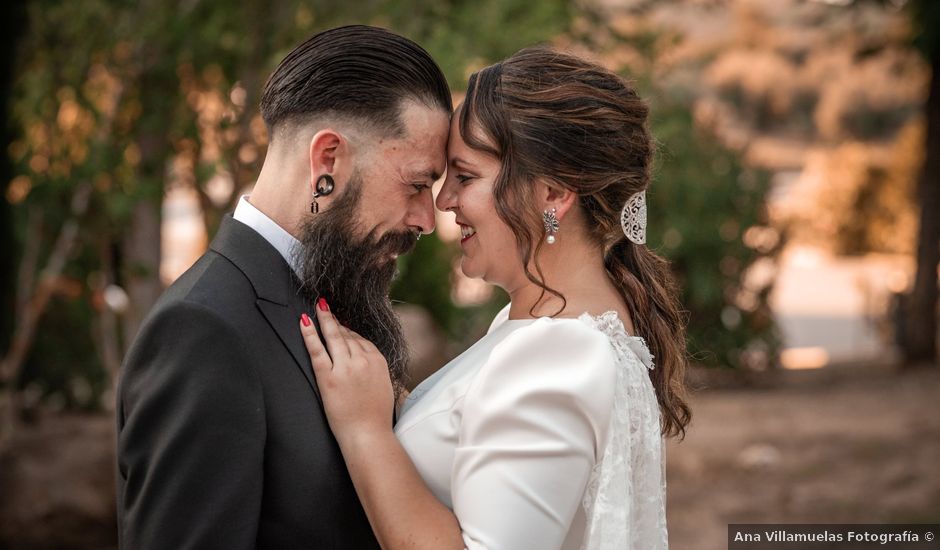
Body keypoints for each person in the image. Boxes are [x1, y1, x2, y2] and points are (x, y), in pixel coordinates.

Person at [299, 47, 692, 549]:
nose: (443, 202)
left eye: (465, 177)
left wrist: (364, 430)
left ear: (553, 193)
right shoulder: (543, 327)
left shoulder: (557, 356)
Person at [116, 25, 451, 549]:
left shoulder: (332, 293)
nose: (427, 218)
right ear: (328, 163)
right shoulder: (203, 331)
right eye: (416, 184)